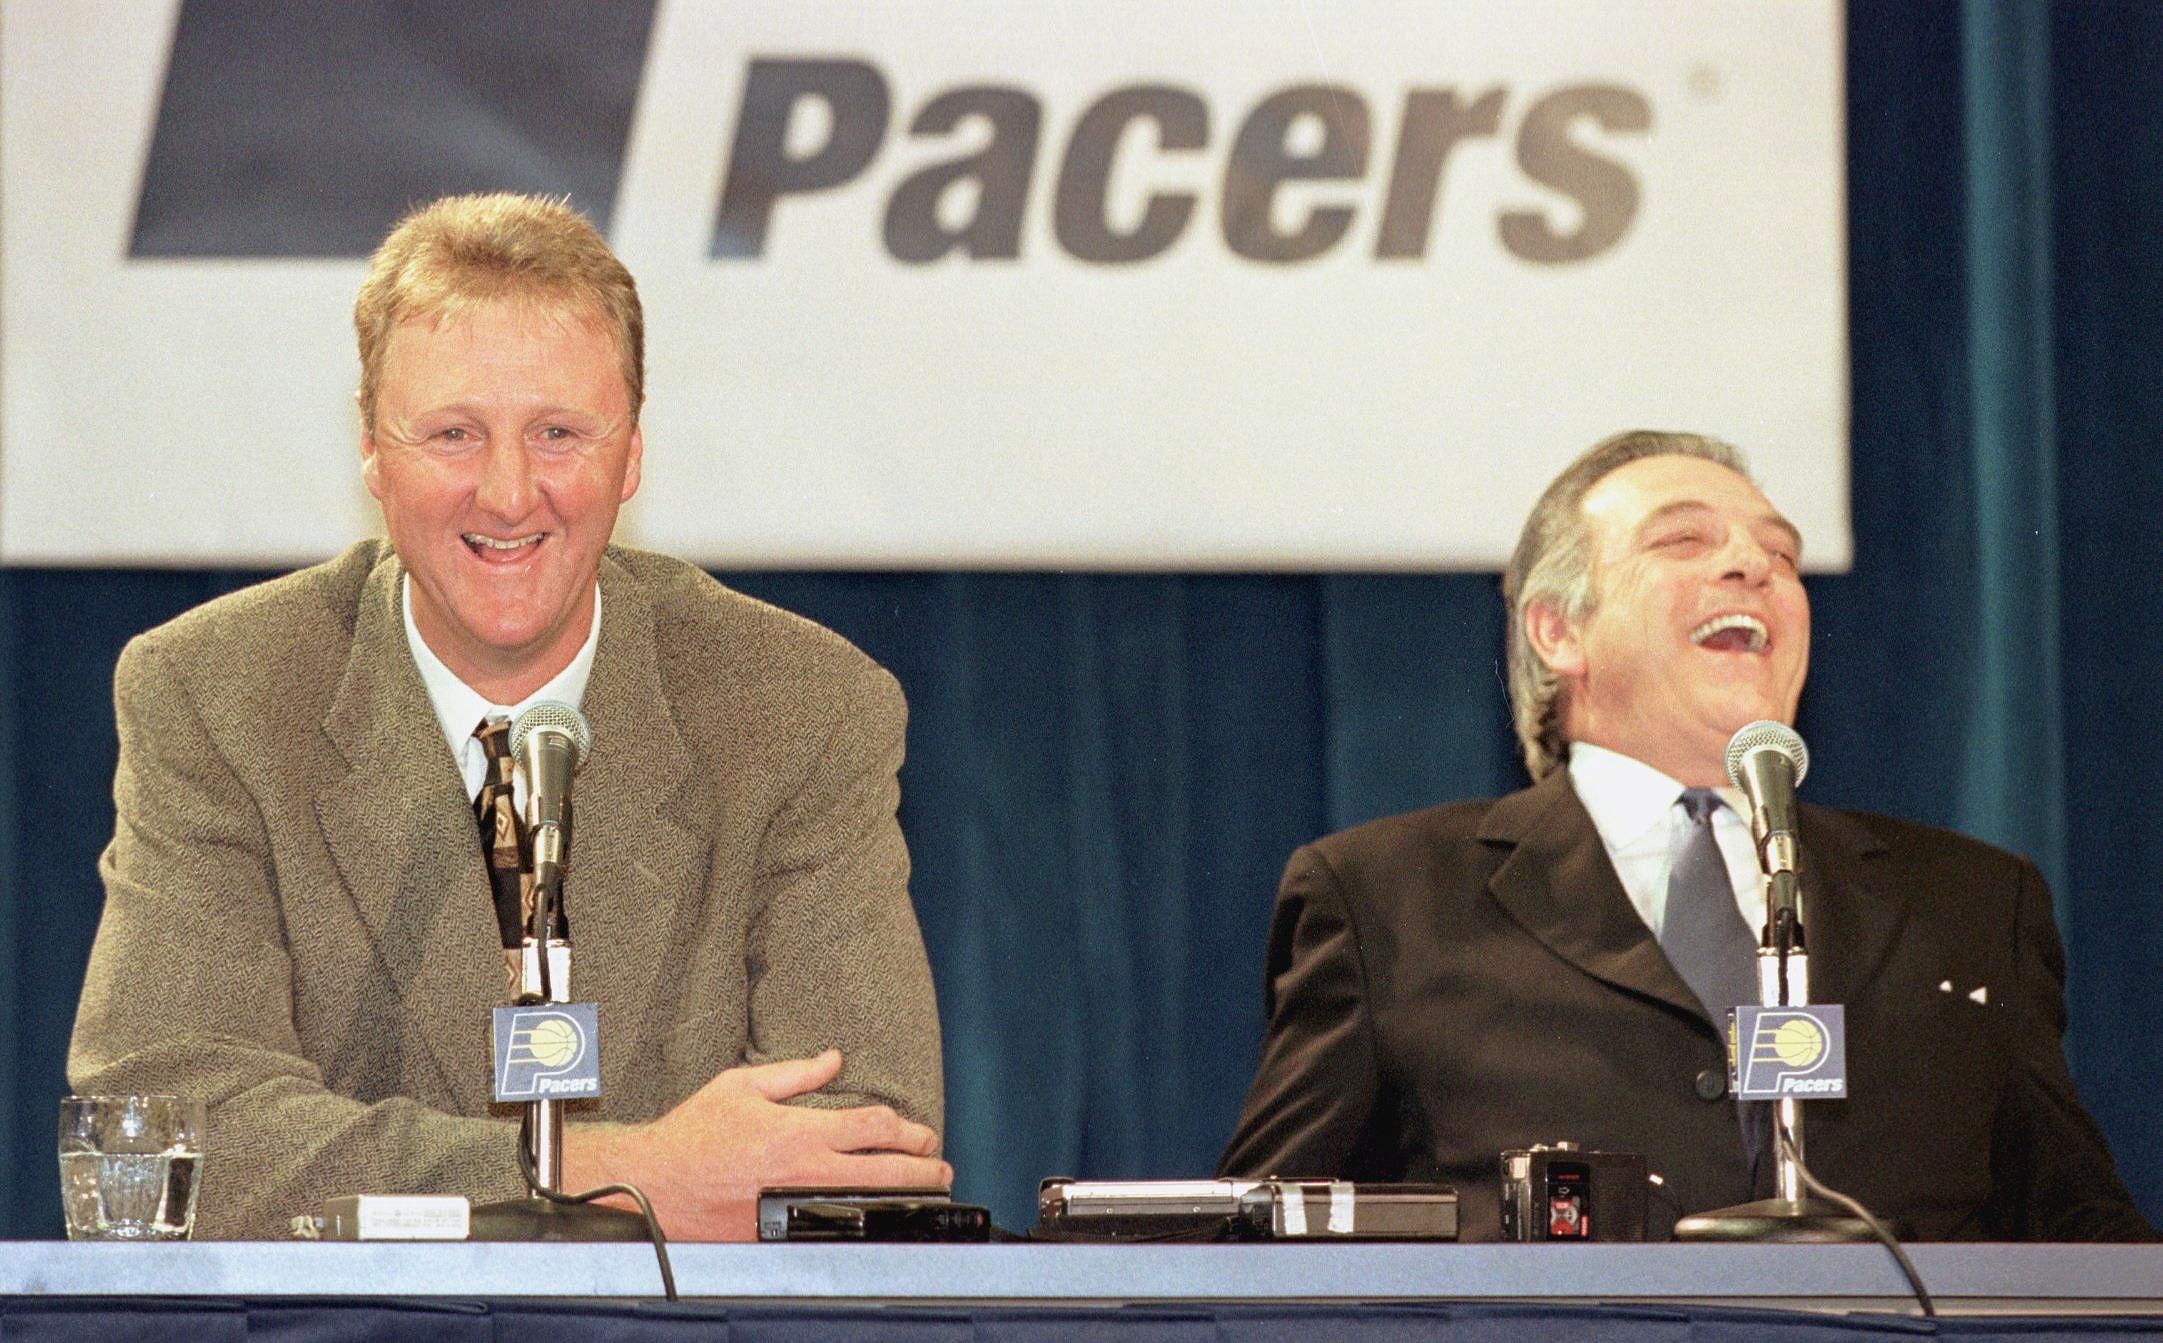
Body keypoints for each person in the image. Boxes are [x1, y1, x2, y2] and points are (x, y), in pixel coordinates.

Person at [69, 193, 948, 1240]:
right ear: (370, 452)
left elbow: (870, 1148)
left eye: (559, 433)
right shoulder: (221, 696)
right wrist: (607, 1169)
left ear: (631, 454)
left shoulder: (798, 707)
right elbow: (167, 1135)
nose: (507, 491)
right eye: (452, 433)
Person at [1218, 429, 2156, 1241]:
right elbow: (1255, 1235)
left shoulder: (1968, 903)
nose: (1754, 566)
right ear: (1557, 630)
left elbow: (2083, 1231)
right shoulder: (1387, 897)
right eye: (1684, 540)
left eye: (1780, 556)